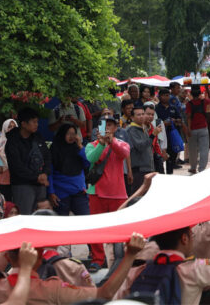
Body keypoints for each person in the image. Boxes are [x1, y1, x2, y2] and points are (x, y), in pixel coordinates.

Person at [0, 233, 146, 304]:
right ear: (39, 258)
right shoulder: (52, 289)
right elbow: (105, 293)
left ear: (7, 256)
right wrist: (129, 255)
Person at [127, 210, 210, 304]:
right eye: (191, 235)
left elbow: (109, 293)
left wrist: (130, 254)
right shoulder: (195, 269)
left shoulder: (138, 271)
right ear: (184, 239)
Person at [86, 114, 131, 270]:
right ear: (99, 128)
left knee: (119, 228)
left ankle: (120, 258)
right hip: (96, 192)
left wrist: (111, 142)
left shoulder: (122, 144)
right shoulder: (91, 145)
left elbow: (123, 154)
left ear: (116, 128)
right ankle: (97, 259)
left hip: (117, 193)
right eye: (105, 125)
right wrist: (102, 144)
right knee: (96, 228)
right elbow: (92, 158)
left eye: (111, 125)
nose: (108, 128)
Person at [4, 108, 51, 215]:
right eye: (34, 122)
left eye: (37, 122)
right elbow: (16, 166)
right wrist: (36, 177)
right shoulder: (12, 141)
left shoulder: (38, 137)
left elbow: (47, 156)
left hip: (40, 184)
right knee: (25, 216)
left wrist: (45, 173)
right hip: (22, 185)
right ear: (24, 124)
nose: (37, 125)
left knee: (42, 216)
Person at [48, 124, 90, 216]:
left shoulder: (78, 148)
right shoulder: (55, 149)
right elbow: (49, 172)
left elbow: (88, 163)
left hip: (79, 191)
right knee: (62, 224)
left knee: (85, 220)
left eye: (74, 134)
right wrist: (51, 192)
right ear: (62, 134)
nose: (72, 136)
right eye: (68, 134)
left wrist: (80, 145)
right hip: (61, 193)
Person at [156, 88, 188, 173]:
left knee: (171, 157)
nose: (166, 97)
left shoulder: (173, 107)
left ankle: (170, 173)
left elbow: (180, 119)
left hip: (172, 136)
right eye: (164, 95)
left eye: (167, 95)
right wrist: (164, 123)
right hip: (161, 137)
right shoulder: (157, 108)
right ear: (159, 96)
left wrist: (175, 121)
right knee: (160, 159)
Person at [125, 104, 154, 193]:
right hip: (139, 170)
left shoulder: (143, 128)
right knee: (138, 196)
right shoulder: (131, 130)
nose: (141, 116)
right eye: (138, 115)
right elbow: (140, 146)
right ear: (132, 117)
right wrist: (153, 135)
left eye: (142, 114)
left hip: (147, 168)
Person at [185, 86, 210, 174]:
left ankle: (193, 167)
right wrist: (207, 88)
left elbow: (189, 117)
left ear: (191, 94)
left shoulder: (189, 104)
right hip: (203, 128)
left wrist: (189, 129)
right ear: (200, 94)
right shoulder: (204, 102)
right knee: (204, 150)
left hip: (193, 129)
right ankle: (202, 169)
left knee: (192, 150)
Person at [0, 119, 17, 200]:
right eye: (9, 127)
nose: (12, 129)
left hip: (19, 179)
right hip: (4, 180)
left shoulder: (22, 144)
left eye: (14, 126)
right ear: (4, 129)